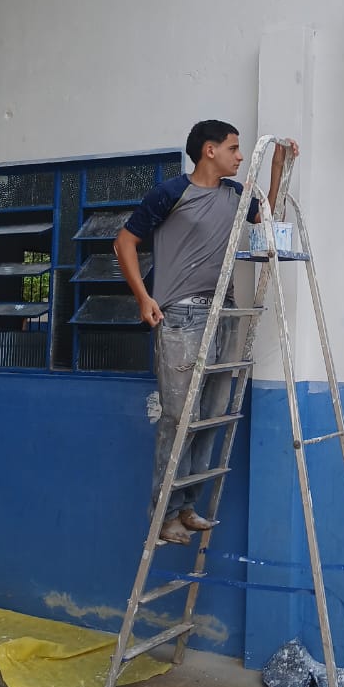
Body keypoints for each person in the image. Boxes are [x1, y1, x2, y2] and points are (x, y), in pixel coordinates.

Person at [115, 121, 297, 545]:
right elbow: (124, 243)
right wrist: (143, 298)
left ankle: (186, 506)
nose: (239, 156)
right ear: (209, 151)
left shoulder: (235, 195)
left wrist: (277, 168)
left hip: (223, 314)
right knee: (180, 418)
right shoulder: (170, 193)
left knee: (210, 417)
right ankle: (164, 515)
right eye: (233, 148)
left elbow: (268, 225)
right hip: (182, 315)